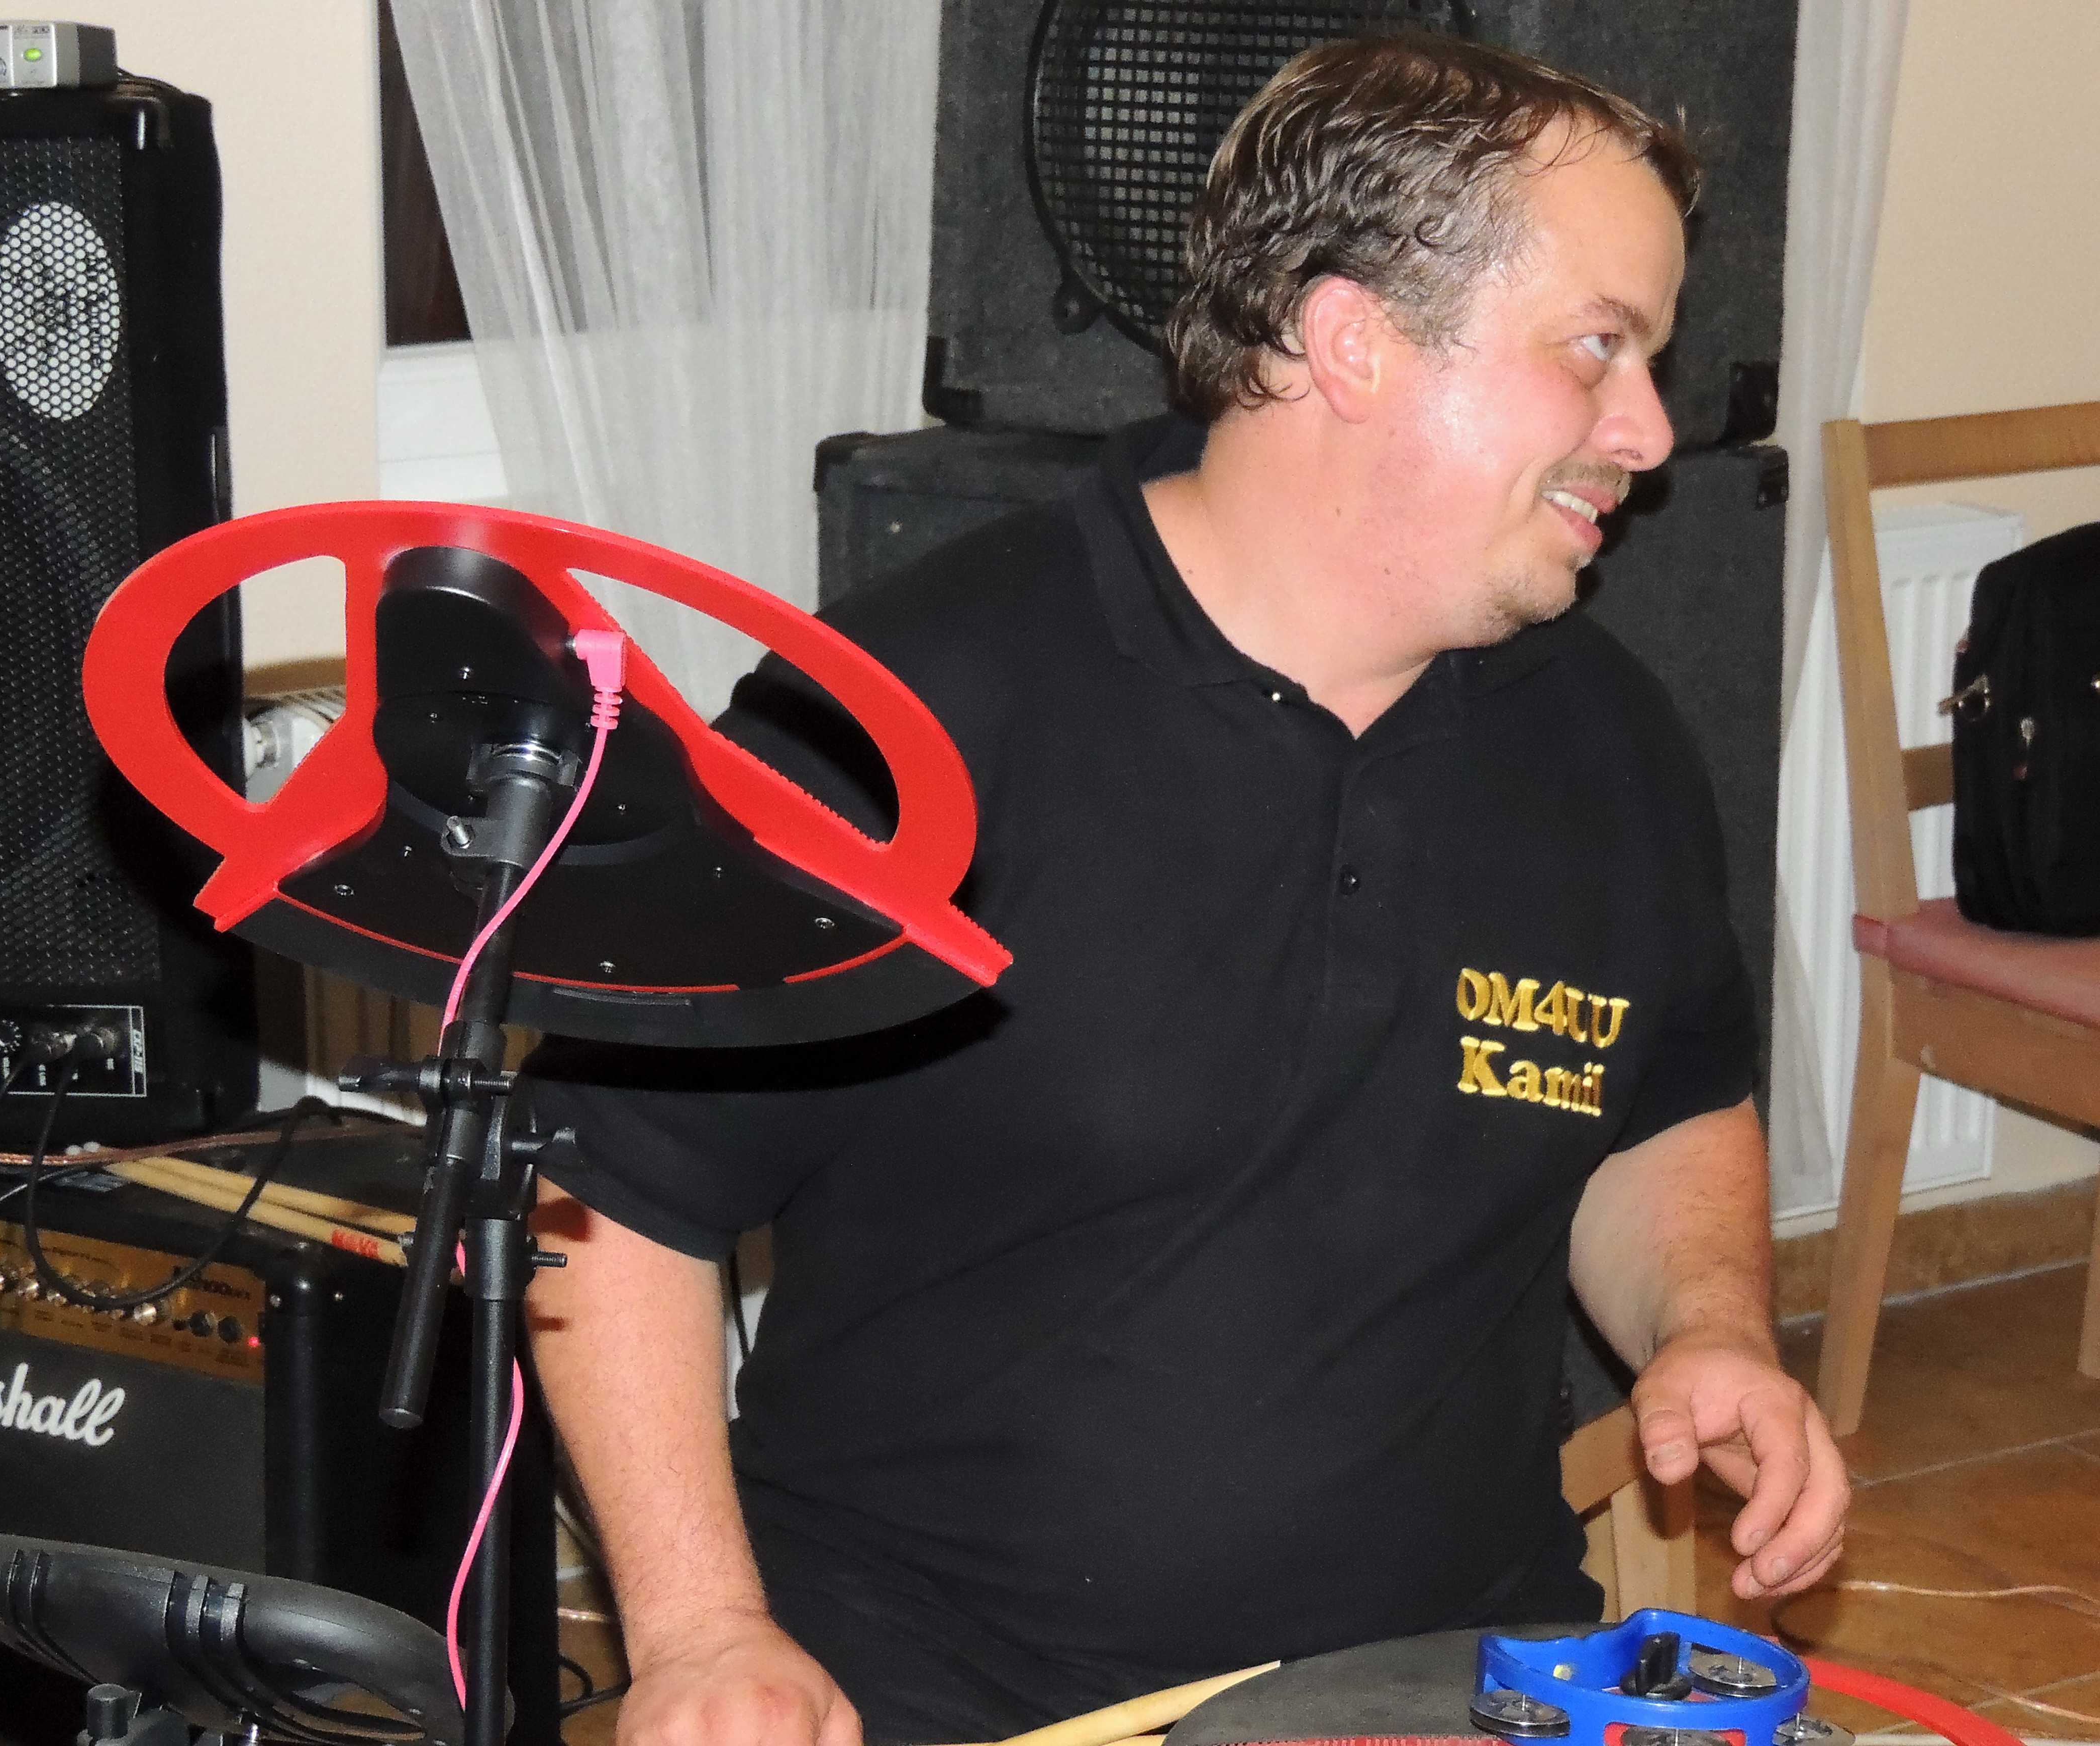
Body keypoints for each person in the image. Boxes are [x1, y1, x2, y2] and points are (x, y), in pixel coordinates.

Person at [523, 34, 1848, 1746]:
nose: (1651, 435)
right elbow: (611, 1195)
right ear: (1354, 339)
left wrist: (1709, 1326)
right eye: (1599, 347)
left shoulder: (1610, 740)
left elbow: (1660, 1103)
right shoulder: (909, 717)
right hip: (947, 1699)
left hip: (1452, 1688)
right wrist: (704, 1632)